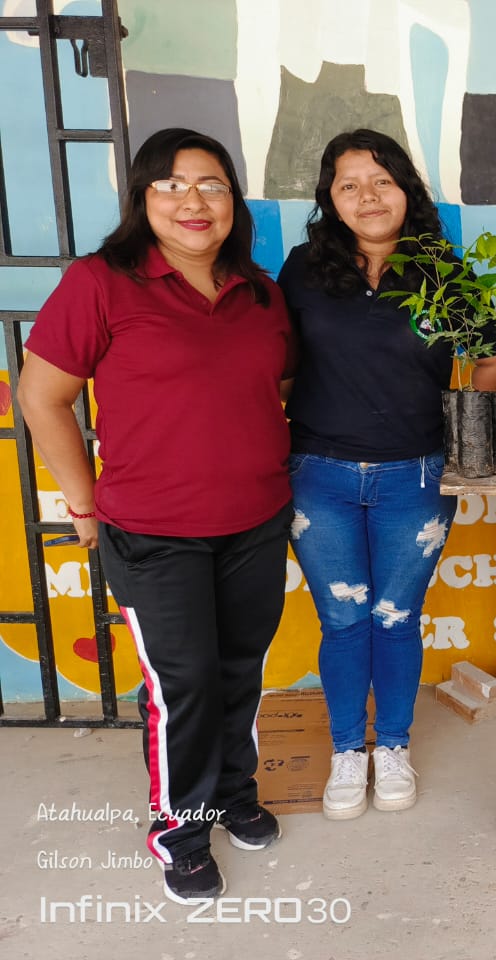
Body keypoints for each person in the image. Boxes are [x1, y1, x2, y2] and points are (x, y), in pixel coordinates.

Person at [17, 128, 294, 904]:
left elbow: (275, 391)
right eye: (171, 185)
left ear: (233, 201)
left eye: (211, 185)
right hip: (154, 532)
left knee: (240, 669)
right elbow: (42, 397)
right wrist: (83, 503)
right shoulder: (101, 283)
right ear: (143, 199)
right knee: (186, 686)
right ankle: (183, 830)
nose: (192, 201)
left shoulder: (260, 293)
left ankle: (234, 793)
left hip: (257, 520)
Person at [277, 129, 496, 820]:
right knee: (343, 621)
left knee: (397, 617)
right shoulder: (303, 269)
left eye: (382, 180)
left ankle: (394, 746)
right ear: (331, 198)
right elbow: (277, 364)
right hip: (318, 476)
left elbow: (490, 358)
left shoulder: (444, 272)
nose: (368, 196)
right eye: (350, 184)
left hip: (418, 476)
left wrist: (471, 434)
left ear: (406, 190)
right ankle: (349, 749)